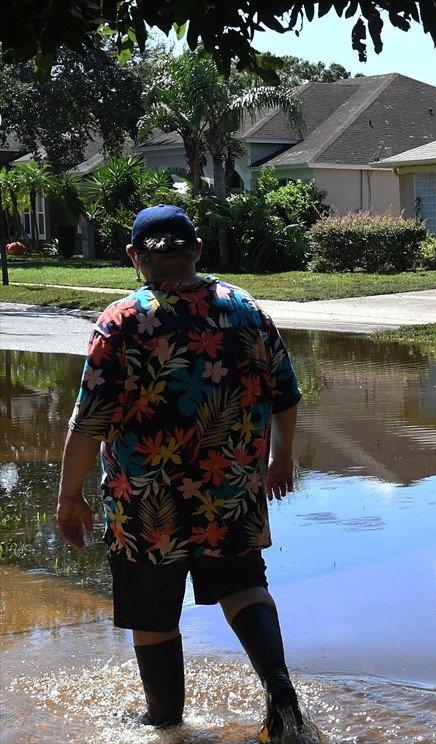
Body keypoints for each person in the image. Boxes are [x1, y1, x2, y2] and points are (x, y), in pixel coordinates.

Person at [55, 205, 316, 742]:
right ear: (196, 249)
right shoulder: (244, 309)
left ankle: (166, 722)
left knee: (153, 612)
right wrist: (281, 457)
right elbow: (286, 391)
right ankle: (280, 689)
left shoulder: (123, 321)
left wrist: (69, 496)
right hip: (231, 487)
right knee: (243, 585)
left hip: (147, 497)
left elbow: (90, 421)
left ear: (135, 257)